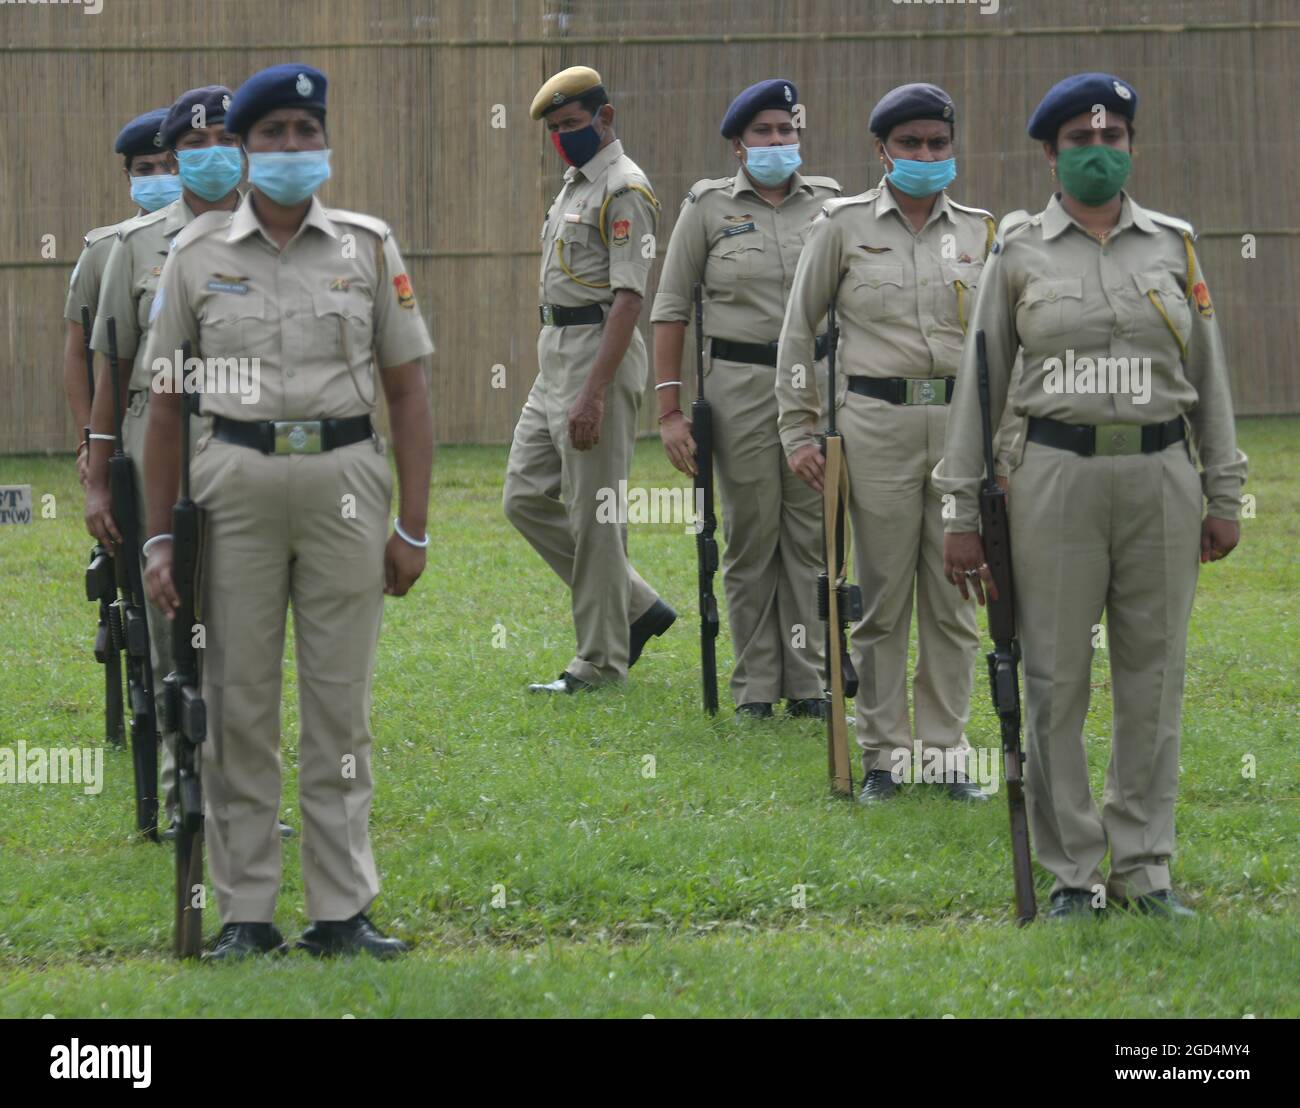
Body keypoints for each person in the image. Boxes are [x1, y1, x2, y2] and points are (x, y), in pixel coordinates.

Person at [141, 63, 434, 960]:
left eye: (305, 133)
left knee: (340, 708)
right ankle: (247, 914)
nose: (290, 150)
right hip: (232, 485)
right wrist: (158, 536)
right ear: (242, 147)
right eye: (272, 136)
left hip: (347, 480)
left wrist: (412, 526)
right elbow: (162, 408)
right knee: (236, 703)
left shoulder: (368, 246)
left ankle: (342, 910)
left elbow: (409, 393)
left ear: (324, 143)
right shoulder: (195, 258)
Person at [936, 73, 1247, 920]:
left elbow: (1208, 379)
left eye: (1113, 139)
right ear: (1050, 154)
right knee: (1054, 678)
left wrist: (1225, 491)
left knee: (1154, 677)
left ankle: (1144, 867)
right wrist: (961, 513)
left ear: (1132, 147)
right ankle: (1072, 872)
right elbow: (979, 386)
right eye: (1081, 141)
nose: (1099, 153)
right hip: (1052, 480)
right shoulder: (1016, 251)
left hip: (1161, 482)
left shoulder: (1173, 247)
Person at [776, 83, 997, 802]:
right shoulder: (839, 226)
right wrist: (799, 428)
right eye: (910, 145)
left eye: (937, 145)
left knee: (955, 599)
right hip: (874, 425)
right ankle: (884, 756)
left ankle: (945, 752)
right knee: (881, 599)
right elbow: (798, 332)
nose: (926, 157)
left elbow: (1000, 348)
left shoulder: (980, 232)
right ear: (882, 151)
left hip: (960, 428)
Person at [84, 86, 244, 840]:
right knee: (172, 622)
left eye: (227, 138)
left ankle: (240, 790)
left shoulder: (269, 236)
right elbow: (111, 368)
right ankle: (189, 795)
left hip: (245, 443)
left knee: (239, 625)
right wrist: (96, 472)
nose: (215, 155)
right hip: (161, 441)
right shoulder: (133, 247)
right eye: (199, 142)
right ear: (177, 153)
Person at [651, 78, 840, 719]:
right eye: (763, 132)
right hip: (740, 386)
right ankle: (758, 684)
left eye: (787, 131)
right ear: (738, 145)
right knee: (752, 532)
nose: (777, 142)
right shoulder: (705, 209)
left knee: (810, 532)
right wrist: (670, 411)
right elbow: (671, 309)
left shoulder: (834, 206)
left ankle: (808, 679)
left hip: (813, 385)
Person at [504, 65, 675, 693]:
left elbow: (631, 299)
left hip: (599, 351)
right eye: (555, 128)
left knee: (595, 515)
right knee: (523, 496)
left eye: (572, 124)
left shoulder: (626, 189)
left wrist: (594, 392)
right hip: (556, 352)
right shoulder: (575, 185)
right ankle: (635, 604)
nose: (563, 137)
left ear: (605, 117)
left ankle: (600, 661)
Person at [64, 107, 174, 488]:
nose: (160, 178)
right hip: (133, 423)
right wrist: (87, 442)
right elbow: (78, 352)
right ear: (127, 176)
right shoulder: (104, 249)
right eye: (146, 169)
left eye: (169, 166)